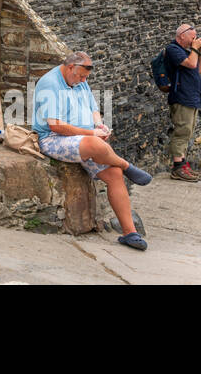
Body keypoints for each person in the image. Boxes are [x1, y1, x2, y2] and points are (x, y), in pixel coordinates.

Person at [32, 51, 152, 251]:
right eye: (80, 76)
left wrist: (100, 125)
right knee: (97, 146)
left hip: (84, 138)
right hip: (54, 139)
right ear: (70, 67)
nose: (83, 80)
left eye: (85, 78)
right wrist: (92, 133)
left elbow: (93, 107)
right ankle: (126, 165)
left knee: (114, 173)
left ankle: (130, 233)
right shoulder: (50, 83)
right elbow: (56, 126)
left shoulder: (79, 79)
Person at [164, 23, 201, 181]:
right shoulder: (173, 49)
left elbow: (199, 69)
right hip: (181, 96)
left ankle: (182, 164)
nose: (194, 39)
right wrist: (195, 49)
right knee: (182, 132)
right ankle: (177, 168)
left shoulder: (188, 52)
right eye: (192, 36)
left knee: (188, 132)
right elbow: (191, 64)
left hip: (192, 97)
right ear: (182, 35)